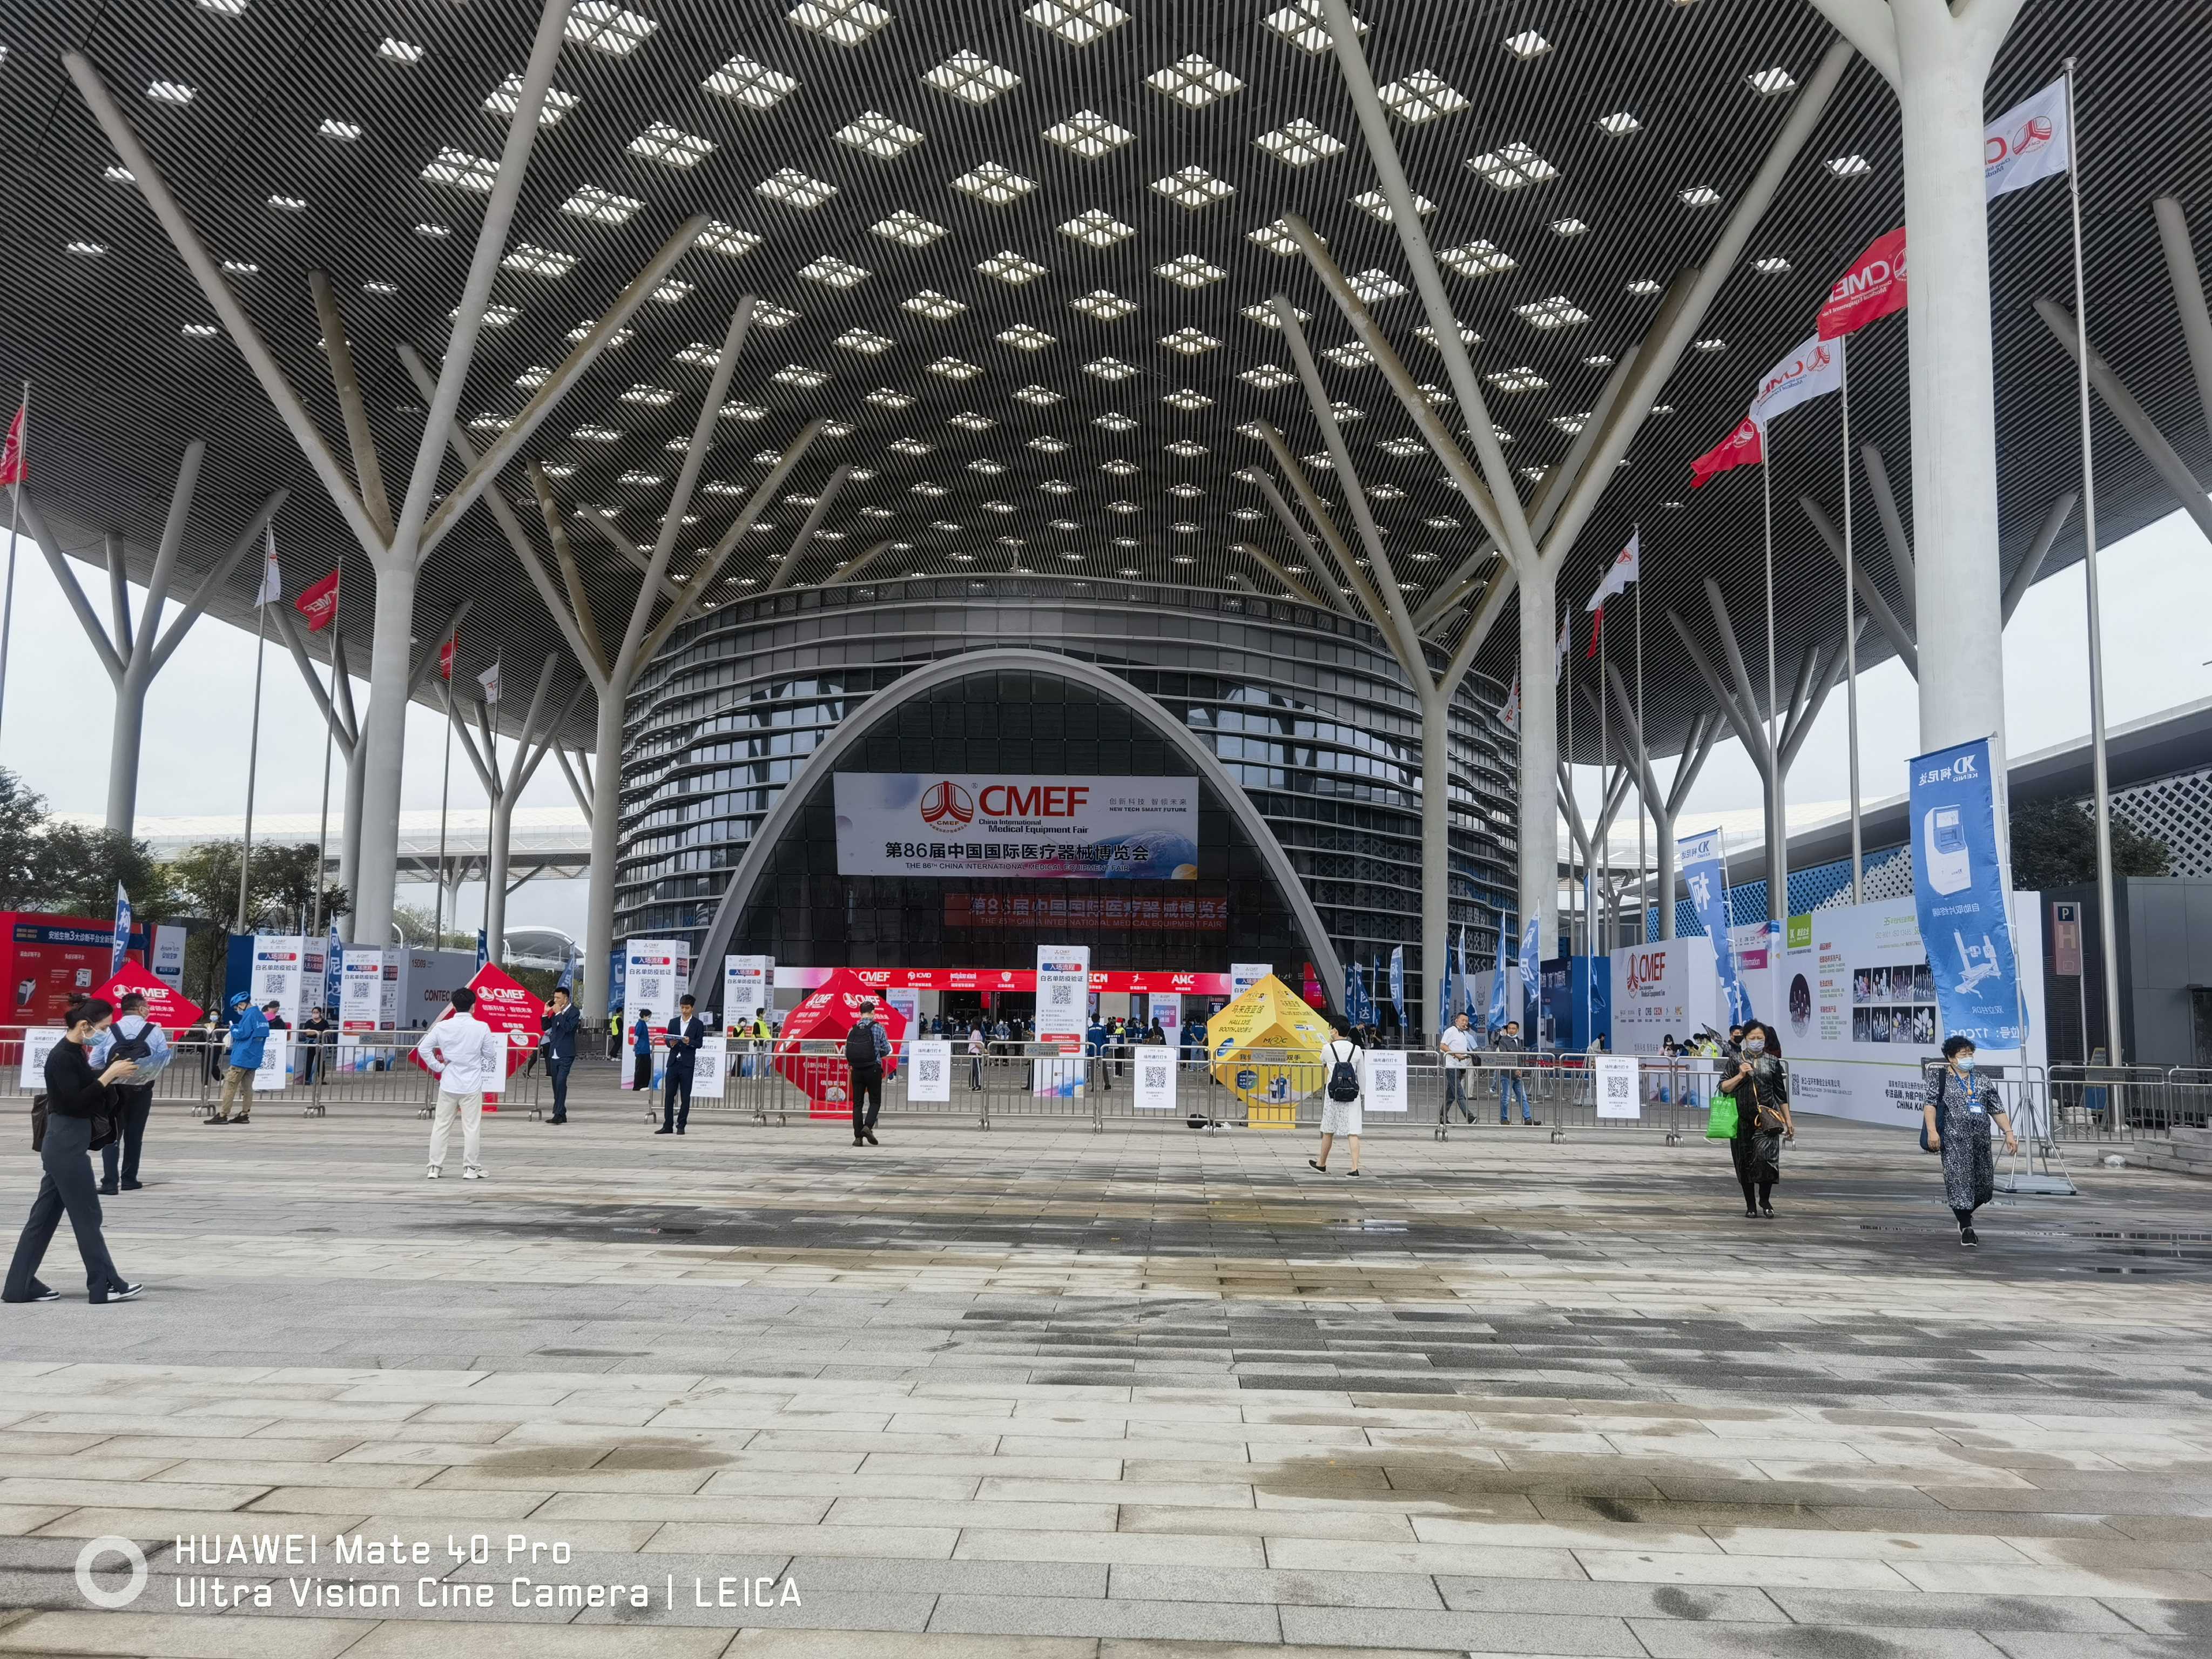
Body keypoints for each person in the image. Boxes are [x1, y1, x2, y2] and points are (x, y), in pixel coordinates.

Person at [4, 996, 144, 1304]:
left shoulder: (74, 1052)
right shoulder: (62, 1057)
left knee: (43, 1219)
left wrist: (112, 1072)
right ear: (85, 1026)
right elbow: (73, 1102)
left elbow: (83, 1088)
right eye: (104, 1028)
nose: (106, 1033)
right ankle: (104, 1284)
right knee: (87, 1215)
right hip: (65, 1145)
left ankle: (19, 1287)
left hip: (66, 1143)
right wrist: (108, 1076)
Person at [1924, 1035, 2019, 1248]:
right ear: (1951, 1058)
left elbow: (1997, 1108)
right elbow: (1930, 1106)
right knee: (1959, 1183)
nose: (1968, 1057)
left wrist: (2009, 1133)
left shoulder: (1982, 1079)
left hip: (1980, 1142)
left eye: (1970, 1054)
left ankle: (1965, 1215)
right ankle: (1967, 1227)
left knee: (1984, 1188)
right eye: (1963, 1054)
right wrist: (1932, 1132)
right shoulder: (1941, 1079)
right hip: (1954, 1141)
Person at [416, 986, 504, 1181]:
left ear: (454, 1006)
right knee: (471, 1127)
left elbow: (423, 1049)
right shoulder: (481, 1027)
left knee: (441, 1125)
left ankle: (434, 1167)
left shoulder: (442, 1026)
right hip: (471, 1084)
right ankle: (470, 1168)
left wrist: (438, 1066)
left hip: (449, 1082)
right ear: (473, 1006)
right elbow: (490, 1054)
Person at [1718, 1020, 1793, 1218]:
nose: (1757, 1041)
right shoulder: (1736, 1060)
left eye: (1760, 1038)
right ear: (1746, 1039)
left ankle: (1765, 1200)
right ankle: (1750, 1204)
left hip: (1767, 1119)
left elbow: (1781, 1094)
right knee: (1744, 1161)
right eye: (1753, 1038)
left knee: (1767, 1160)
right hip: (1741, 1118)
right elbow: (1724, 1087)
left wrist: (1788, 1120)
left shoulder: (1773, 1062)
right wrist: (1740, 1075)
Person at [95, 992, 167, 1195]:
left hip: (114, 1090)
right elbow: (164, 1060)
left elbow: (95, 1062)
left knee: (111, 1135)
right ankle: (129, 1179)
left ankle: (110, 1183)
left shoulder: (110, 1031)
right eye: (147, 1007)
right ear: (141, 1008)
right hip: (142, 1090)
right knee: (135, 1135)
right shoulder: (155, 1031)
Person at [209, 996, 278, 1124]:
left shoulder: (249, 1015)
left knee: (230, 1085)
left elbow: (241, 1034)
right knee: (247, 1087)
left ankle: (223, 1115)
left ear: (242, 1004)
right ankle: (244, 1114)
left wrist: (233, 1028)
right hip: (254, 1057)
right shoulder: (261, 1016)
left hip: (242, 1057)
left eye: (237, 1008)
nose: (238, 1010)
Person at [1311, 1019, 1364, 1176]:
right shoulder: (1357, 1049)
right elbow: (1361, 1074)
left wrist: (1329, 1041)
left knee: (1328, 1130)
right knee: (1353, 1132)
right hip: (1352, 1094)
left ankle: (1322, 1163)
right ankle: (1354, 1168)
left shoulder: (1328, 1048)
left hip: (1333, 1094)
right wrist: (1362, 1094)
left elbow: (1322, 1060)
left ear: (1335, 1030)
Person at [846, 1000, 890, 1147]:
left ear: (860, 1013)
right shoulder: (879, 1028)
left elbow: (847, 1050)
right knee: (875, 1101)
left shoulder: (853, 1029)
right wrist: (877, 1055)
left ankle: (858, 1138)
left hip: (857, 1070)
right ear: (873, 1012)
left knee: (857, 1103)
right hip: (873, 1068)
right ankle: (868, 1126)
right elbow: (886, 1048)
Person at [659, 995, 705, 1135]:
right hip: (673, 1063)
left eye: (687, 1008)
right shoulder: (673, 1022)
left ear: (692, 1008)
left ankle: (681, 1125)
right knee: (669, 1095)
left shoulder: (698, 1024)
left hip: (687, 1064)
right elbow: (667, 1040)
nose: (684, 1010)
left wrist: (689, 1042)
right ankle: (668, 1125)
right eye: (682, 1007)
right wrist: (670, 1043)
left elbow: (699, 1043)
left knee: (685, 1096)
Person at [541, 985, 580, 1124]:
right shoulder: (555, 1011)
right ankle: (562, 1113)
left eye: (558, 998)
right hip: (554, 1052)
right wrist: (545, 1013)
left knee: (561, 1082)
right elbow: (546, 1027)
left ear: (566, 998)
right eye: (555, 997)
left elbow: (568, 1028)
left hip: (566, 1053)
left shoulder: (574, 1012)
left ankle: (557, 1114)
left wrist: (558, 1014)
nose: (556, 1000)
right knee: (556, 1085)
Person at [1490, 1019, 1538, 1125]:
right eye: (1509, 1028)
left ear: (1518, 1030)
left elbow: (1521, 1058)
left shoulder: (1519, 1041)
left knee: (1523, 1097)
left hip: (1518, 1075)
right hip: (1507, 1074)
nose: (1511, 1030)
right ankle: (1504, 1119)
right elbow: (1506, 1057)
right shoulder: (1503, 1041)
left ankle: (1528, 1119)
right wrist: (1515, 1069)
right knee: (1506, 1098)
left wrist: (1521, 1070)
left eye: (1513, 1029)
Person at [1437, 1011, 1478, 1124]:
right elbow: (1442, 1045)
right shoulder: (1450, 1031)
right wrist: (1455, 1055)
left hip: (1460, 1067)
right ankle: (1469, 1117)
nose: (1465, 1023)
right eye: (1463, 1020)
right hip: (1452, 1067)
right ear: (1456, 1021)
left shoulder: (1463, 1034)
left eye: (1467, 1021)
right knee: (1460, 1093)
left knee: (1450, 1096)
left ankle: (1442, 1117)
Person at [298, 1005, 333, 1087]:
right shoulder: (309, 1022)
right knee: (309, 1061)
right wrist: (318, 1032)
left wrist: (318, 1032)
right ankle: (307, 1079)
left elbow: (327, 1032)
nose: (315, 1014)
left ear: (320, 1013)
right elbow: (307, 1033)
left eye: (317, 1012)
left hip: (321, 1043)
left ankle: (321, 1079)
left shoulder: (324, 1022)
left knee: (321, 1062)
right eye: (314, 1012)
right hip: (311, 1043)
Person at [1085, 1013, 1112, 1092]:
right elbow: (1106, 1038)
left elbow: (1088, 1039)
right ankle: (1107, 1084)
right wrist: (1106, 1048)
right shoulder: (1103, 1028)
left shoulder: (1089, 1029)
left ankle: (1094, 1086)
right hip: (1101, 1051)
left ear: (1092, 1020)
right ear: (1099, 1020)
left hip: (1092, 1051)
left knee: (1093, 1069)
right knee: (1104, 1068)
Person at [630, 1008, 655, 1093]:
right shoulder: (640, 1024)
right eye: (649, 1016)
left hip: (645, 1050)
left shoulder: (643, 1023)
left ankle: (644, 1085)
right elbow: (636, 1037)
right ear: (644, 1016)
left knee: (647, 1068)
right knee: (640, 1069)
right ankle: (638, 1086)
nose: (649, 1018)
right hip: (641, 1051)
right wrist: (635, 1046)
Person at [967, 1022, 986, 1091]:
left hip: (972, 1052)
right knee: (978, 1070)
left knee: (973, 1070)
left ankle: (971, 1086)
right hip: (976, 1052)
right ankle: (978, 1086)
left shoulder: (973, 1032)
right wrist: (984, 1049)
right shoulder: (977, 1032)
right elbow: (977, 1043)